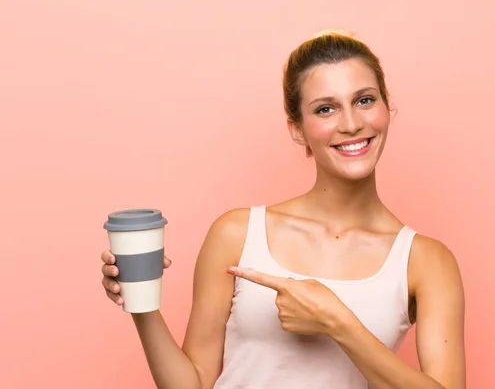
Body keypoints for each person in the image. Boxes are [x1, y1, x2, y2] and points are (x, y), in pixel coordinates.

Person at [100, 29, 466, 389]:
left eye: (365, 100)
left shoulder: (427, 262)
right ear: (298, 130)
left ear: (387, 108)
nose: (352, 123)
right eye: (326, 109)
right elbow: (192, 384)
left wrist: (338, 323)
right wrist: (141, 303)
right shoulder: (237, 233)